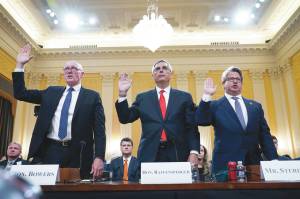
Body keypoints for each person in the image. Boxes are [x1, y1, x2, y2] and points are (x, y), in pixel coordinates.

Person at [12, 44, 106, 179]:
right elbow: (20, 94)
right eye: (66, 68)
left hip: (77, 152)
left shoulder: (92, 96)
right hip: (50, 150)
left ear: (82, 74)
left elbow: (99, 130)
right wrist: (20, 66)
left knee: (74, 191)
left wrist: (99, 157)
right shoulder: (51, 92)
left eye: (74, 68)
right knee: (47, 190)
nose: (70, 71)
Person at [195, 66, 277, 174]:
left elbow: (264, 135)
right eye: (230, 79)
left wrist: (274, 159)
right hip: (225, 164)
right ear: (223, 83)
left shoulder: (255, 106)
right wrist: (207, 95)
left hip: (253, 163)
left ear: (241, 83)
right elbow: (201, 120)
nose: (235, 81)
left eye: (238, 79)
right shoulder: (215, 105)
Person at [115, 60, 199, 165]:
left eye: (164, 68)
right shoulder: (143, 98)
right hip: (149, 154)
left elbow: (191, 127)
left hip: (178, 153)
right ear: (153, 75)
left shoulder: (184, 97)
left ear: (171, 74)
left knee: (178, 182)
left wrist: (194, 152)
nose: (161, 70)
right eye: (157, 69)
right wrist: (122, 94)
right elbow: (125, 118)